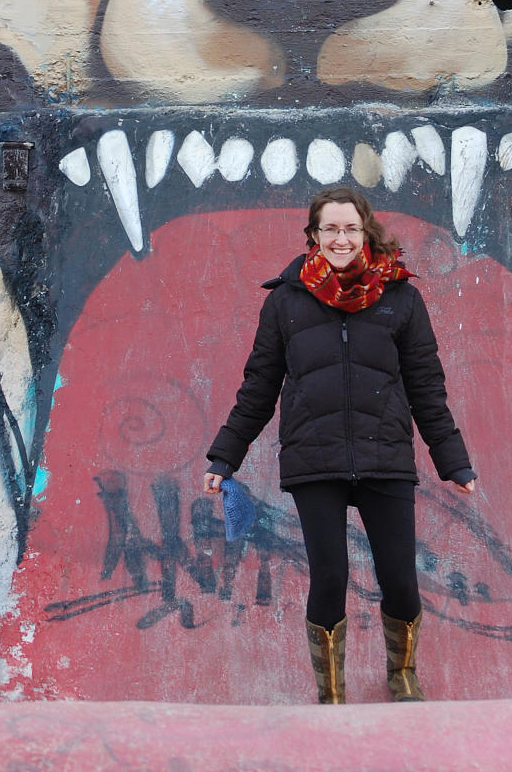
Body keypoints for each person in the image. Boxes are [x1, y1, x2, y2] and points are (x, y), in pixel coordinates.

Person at [203, 185, 475, 704]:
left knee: (400, 578)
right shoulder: (285, 301)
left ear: (365, 231)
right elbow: (258, 386)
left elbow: (426, 387)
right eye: (330, 228)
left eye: (350, 228)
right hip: (315, 458)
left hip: (386, 455)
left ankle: (402, 675)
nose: (341, 238)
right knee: (329, 575)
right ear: (314, 234)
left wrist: (453, 461)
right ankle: (331, 694)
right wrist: (225, 454)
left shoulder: (401, 298)